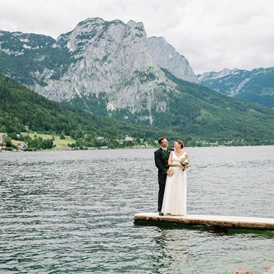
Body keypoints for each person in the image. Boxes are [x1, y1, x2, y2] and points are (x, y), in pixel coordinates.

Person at [161, 140, 188, 216]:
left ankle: (179, 210)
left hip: (181, 174)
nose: (174, 145)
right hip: (172, 173)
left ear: (180, 145)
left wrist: (184, 165)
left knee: (179, 190)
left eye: (175, 144)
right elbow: (169, 163)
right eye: (174, 144)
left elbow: (187, 165)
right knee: (171, 190)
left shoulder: (185, 154)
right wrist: (178, 164)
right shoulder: (172, 153)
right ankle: (169, 209)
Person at [154, 137, 174, 216]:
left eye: (167, 141)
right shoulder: (157, 152)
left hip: (172, 173)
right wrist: (166, 171)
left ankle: (170, 208)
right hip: (162, 174)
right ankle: (160, 209)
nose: (167, 143)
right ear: (161, 143)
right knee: (162, 191)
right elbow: (158, 164)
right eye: (165, 142)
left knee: (171, 191)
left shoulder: (171, 150)